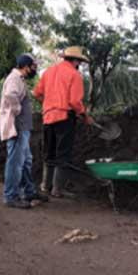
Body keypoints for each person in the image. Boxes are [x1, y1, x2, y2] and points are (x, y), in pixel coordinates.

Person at [33, 46, 94, 198]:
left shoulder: (48, 72)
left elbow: (37, 93)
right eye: (79, 62)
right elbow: (74, 101)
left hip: (48, 117)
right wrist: (84, 115)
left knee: (49, 152)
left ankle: (45, 187)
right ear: (75, 61)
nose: (79, 65)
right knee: (63, 153)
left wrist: (49, 104)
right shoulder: (74, 75)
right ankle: (57, 189)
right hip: (64, 118)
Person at [0, 54, 49, 209]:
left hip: (22, 127)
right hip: (18, 127)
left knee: (26, 161)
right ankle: (11, 196)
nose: (35, 69)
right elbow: (9, 95)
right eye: (34, 66)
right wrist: (18, 110)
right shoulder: (14, 79)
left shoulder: (19, 79)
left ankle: (29, 191)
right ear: (26, 66)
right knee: (16, 163)